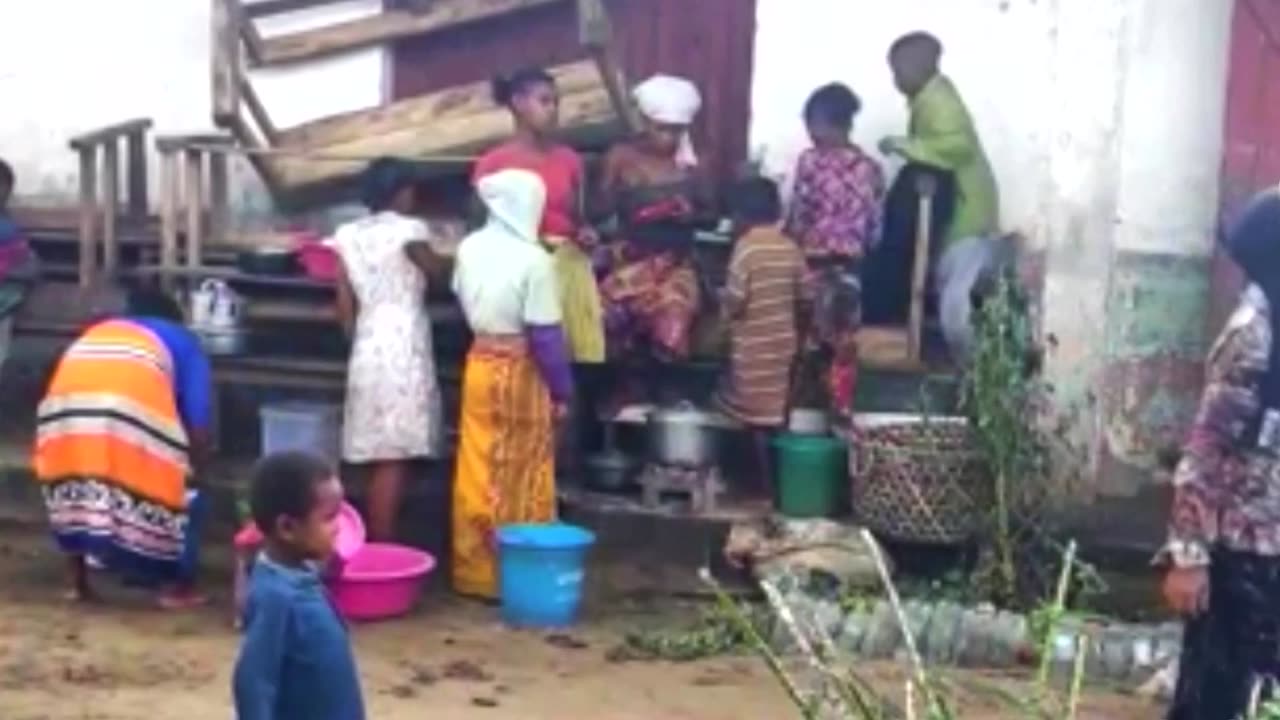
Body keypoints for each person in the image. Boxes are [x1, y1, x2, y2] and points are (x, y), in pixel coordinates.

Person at [1161, 187, 1280, 720]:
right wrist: (1188, 559)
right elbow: (1205, 453)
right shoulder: (1251, 338)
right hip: (1241, 557)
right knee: (1215, 702)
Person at [34, 286, 211, 608]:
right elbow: (198, 420)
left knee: (74, 482)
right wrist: (195, 469)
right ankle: (175, 587)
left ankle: (77, 584)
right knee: (178, 490)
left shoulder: (101, 330)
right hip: (130, 397)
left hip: (65, 403)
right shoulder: (184, 340)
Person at [451, 168, 571, 599]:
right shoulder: (535, 259)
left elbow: (459, 295)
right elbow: (545, 334)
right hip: (520, 370)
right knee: (521, 469)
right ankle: (515, 574)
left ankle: (473, 571)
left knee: (477, 464)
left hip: (479, 366)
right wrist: (562, 390)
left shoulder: (467, 248)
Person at [332, 157, 448, 541]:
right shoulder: (411, 230)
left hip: (367, 340)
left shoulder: (346, 235)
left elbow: (345, 308)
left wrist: (359, 342)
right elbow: (436, 273)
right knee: (395, 453)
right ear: (400, 192)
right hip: (403, 339)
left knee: (374, 450)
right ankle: (381, 545)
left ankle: (367, 537)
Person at [866, 32, 1000, 343]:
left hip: (968, 209)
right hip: (952, 207)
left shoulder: (940, 102)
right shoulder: (926, 99)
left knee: (958, 308)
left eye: (898, 72)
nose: (895, 80)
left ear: (919, 67)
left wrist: (904, 145)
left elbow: (958, 147)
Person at [474, 66, 603, 364]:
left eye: (556, 102)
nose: (553, 110)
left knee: (568, 358)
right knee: (528, 359)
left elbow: (579, 218)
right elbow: (480, 228)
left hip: (566, 269)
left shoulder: (569, 160)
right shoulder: (493, 163)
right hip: (517, 273)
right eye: (544, 101)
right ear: (518, 104)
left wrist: (586, 234)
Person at [597, 74, 710, 403]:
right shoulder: (620, 156)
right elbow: (597, 209)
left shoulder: (692, 163)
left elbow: (712, 210)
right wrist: (621, 192)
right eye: (662, 129)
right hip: (629, 262)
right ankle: (619, 394)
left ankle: (664, 396)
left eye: (677, 131)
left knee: (674, 323)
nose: (669, 138)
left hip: (676, 266)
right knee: (604, 319)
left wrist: (691, 213)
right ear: (645, 122)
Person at [233, 451, 364, 720]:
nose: (339, 528)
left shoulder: (300, 571)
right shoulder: (275, 596)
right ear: (287, 528)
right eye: (329, 518)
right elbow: (253, 681)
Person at [785, 84, 884, 419]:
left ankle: (801, 413)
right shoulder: (870, 167)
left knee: (806, 344)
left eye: (811, 124)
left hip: (812, 266)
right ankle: (839, 413)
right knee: (843, 347)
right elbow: (875, 229)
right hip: (852, 270)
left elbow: (798, 216)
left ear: (821, 122)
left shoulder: (810, 162)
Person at [714, 178, 806, 490]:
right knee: (776, 415)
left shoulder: (745, 248)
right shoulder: (790, 247)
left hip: (752, 346)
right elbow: (805, 294)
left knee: (754, 420)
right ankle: (784, 481)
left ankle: (763, 485)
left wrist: (721, 304)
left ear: (739, 214)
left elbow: (737, 298)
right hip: (782, 344)